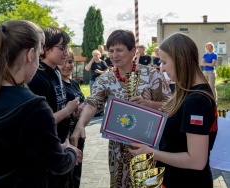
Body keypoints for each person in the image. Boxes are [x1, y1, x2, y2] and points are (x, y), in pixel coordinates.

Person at [0, 20, 82, 188]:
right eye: (39, 55)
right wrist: (69, 151)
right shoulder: (33, 107)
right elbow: (59, 164)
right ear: (30, 55)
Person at [71, 29, 171, 188]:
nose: (114, 55)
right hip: (117, 150)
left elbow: (171, 106)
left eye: (119, 50)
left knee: (147, 185)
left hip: (148, 147)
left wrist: (150, 104)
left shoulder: (151, 75)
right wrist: (80, 125)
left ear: (133, 51)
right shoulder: (106, 79)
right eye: (111, 50)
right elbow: (93, 103)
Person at [128, 33, 218, 188]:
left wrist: (149, 152)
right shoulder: (191, 90)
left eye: (164, 62)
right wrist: (149, 104)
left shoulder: (196, 101)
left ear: (180, 59)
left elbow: (196, 161)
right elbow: (178, 110)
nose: (162, 67)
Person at [27, 26, 80, 188]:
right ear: (45, 48)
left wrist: (73, 111)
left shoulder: (56, 71)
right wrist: (67, 110)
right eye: (61, 48)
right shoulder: (37, 78)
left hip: (62, 143)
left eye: (67, 47)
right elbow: (42, 122)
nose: (66, 52)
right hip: (48, 149)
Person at [58, 49, 86, 188]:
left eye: (70, 62)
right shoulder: (58, 85)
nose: (67, 65)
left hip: (79, 134)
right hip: (66, 137)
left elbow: (84, 102)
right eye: (63, 62)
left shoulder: (74, 83)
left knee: (76, 173)